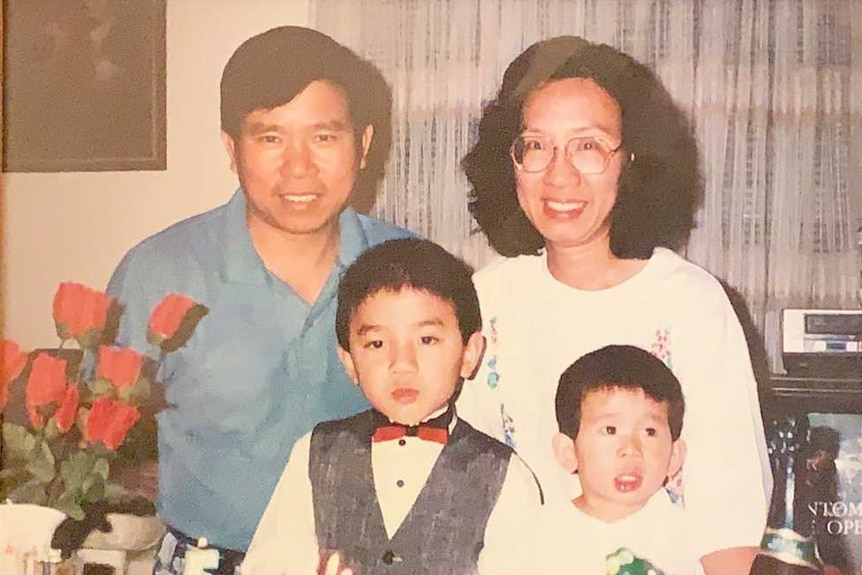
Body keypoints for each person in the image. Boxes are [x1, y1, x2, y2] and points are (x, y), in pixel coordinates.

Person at [456, 36, 771, 574]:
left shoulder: (691, 303)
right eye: (535, 145)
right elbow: (457, 495)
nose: (560, 175)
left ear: (631, 161)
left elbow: (730, 520)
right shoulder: (484, 301)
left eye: (588, 146)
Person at [106, 26, 412, 575]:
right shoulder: (160, 273)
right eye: (270, 138)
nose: (298, 168)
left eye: (323, 137)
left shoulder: (413, 269)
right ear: (232, 148)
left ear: (362, 144)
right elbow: (89, 430)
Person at [241, 238, 543, 575]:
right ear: (349, 362)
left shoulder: (505, 476)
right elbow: (269, 566)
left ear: (469, 354)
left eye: (427, 340)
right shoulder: (314, 453)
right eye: (376, 343)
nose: (402, 363)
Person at [530, 344, 696, 575]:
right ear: (569, 452)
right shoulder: (541, 536)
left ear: (674, 456)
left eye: (649, 432)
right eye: (610, 430)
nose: (631, 449)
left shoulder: (689, 539)